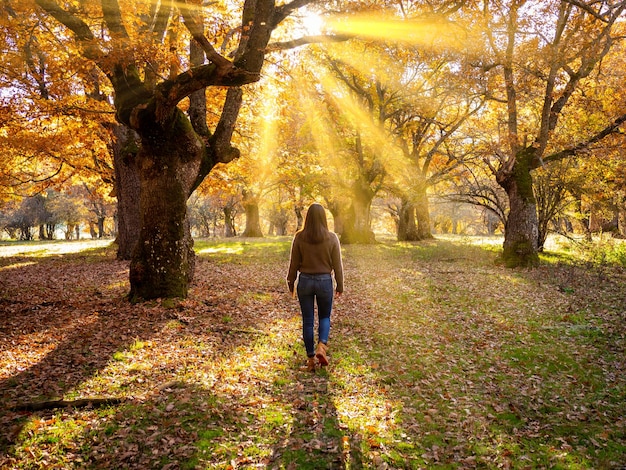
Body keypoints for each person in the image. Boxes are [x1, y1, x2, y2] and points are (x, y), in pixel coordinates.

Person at [287, 203, 344, 372]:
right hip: (325, 281)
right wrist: (340, 284)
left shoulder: (299, 237)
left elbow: (293, 264)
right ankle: (322, 346)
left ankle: (311, 359)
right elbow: (338, 265)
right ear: (324, 218)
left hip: (304, 281)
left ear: (308, 218)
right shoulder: (332, 237)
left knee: (308, 320)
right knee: (325, 316)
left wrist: (291, 283)